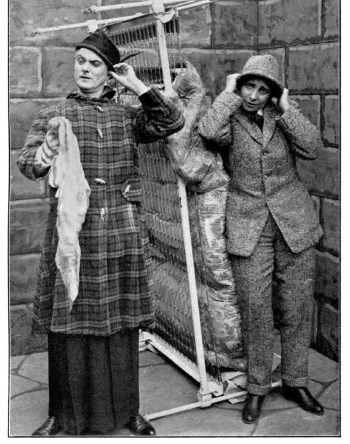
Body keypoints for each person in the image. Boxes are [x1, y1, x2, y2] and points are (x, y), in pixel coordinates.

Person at [17, 29, 184, 436]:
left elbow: (171, 120)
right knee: (68, 319)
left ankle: (129, 412)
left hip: (122, 230)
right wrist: (41, 157)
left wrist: (137, 85)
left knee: (122, 323)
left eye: (95, 64)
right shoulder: (56, 114)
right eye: (80, 62)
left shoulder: (128, 114)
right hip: (74, 234)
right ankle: (62, 415)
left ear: (110, 73)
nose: (85, 70)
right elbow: (28, 163)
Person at [198, 54, 324, 424]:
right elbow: (206, 131)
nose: (253, 95)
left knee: (297, 305)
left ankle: (295, 381)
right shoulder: (229, 118)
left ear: (273, 94)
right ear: (239, 87)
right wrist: (225, 94)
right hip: (247, 225)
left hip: (294, 223)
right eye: (248, 86)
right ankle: (257, 388)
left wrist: (286, 109)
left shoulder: (283, 117)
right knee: (255, 308)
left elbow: (313, 148)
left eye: (262, 89)